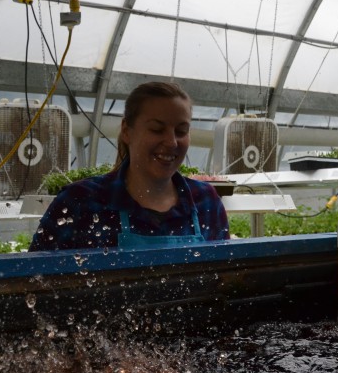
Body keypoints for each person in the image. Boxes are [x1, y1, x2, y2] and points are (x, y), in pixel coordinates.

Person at [30, 81, 229, 251]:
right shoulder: (81, 202)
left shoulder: (206, 202)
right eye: (157, 129)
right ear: (127, 131)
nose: (171, 142)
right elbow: (36, 284)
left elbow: (226, 280)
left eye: (181, 131)